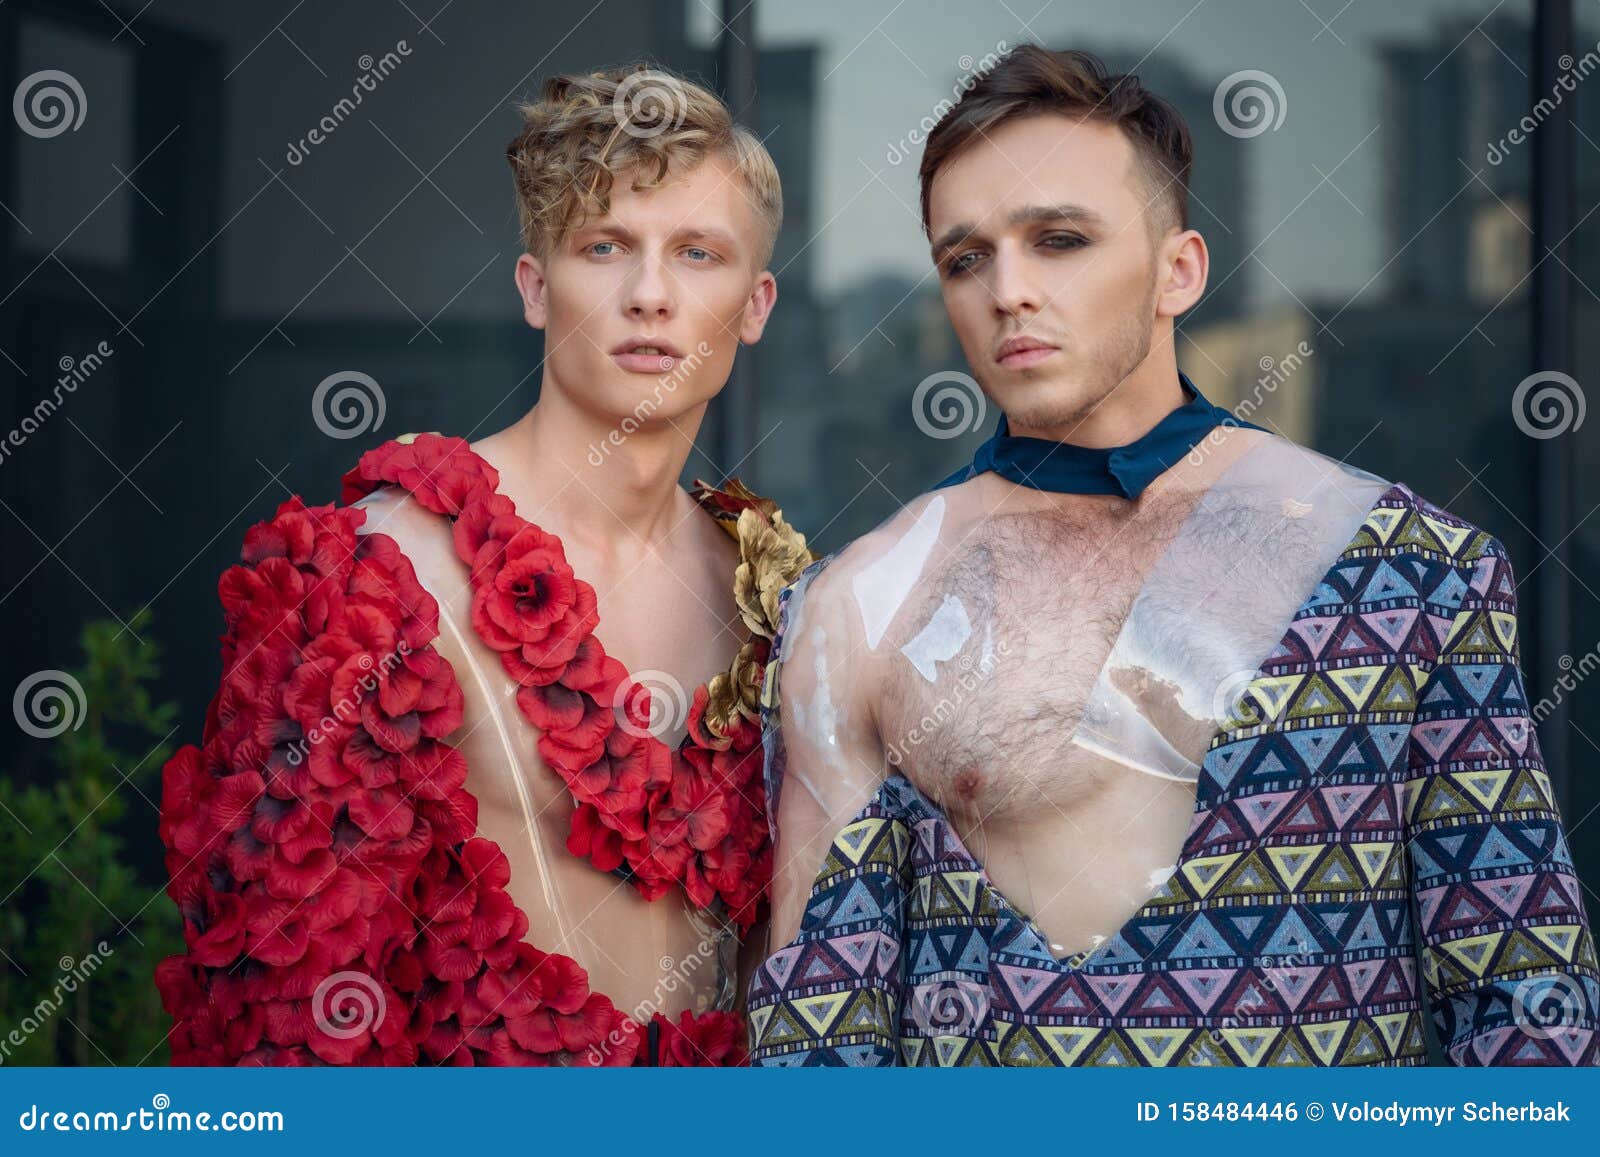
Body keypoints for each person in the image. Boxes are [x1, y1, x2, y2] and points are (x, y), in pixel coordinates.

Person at [745, 45, 1599, 1066]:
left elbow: (1526, 1002)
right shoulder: (858, 606)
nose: (1007, 290)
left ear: (1177, 270)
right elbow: (815, 1047)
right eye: (965, 257)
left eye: (1058, 239)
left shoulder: (1413, 567)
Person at [155, 63, 813, 1066]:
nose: (649, 294)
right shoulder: (380, 572)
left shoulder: (776, 592)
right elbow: (283, 1007)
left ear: (755, 302)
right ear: (535, 288)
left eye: (697, 253)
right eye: (605, 248)